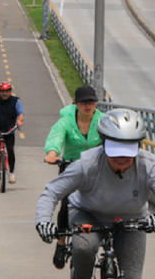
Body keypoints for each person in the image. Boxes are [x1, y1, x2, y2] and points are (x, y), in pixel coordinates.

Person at [36, 109, 155, 279]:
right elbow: (51, 192)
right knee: (84, 248)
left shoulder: (149, 166)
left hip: (132, 221)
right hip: (88, 215)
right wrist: (43, 222)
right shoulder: (87, 163)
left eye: (128, 151)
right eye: (115, 151)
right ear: (104, 144)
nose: (121, 158)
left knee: (132, 276)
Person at [43, 86, 104, 269]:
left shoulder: (102, 121)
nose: (88, 105)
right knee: (66, 206)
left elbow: (113, 138)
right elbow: (56, 138)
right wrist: (52, 154)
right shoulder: (66, 121)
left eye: (91, 102)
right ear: (76, 104)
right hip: (71, 168)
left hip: (96, 170)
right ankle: (61, 243)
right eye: (84, 102)